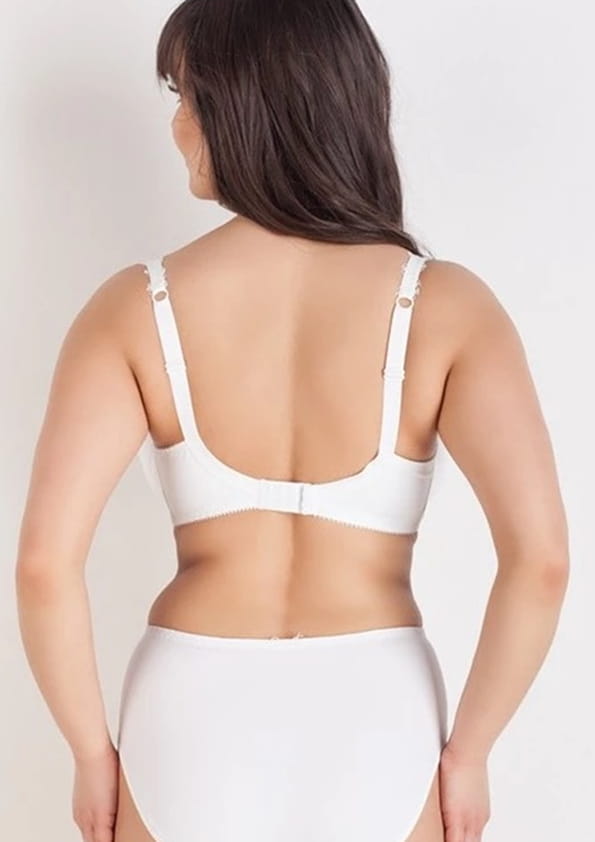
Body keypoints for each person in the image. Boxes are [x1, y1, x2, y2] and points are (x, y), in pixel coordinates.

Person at [15, 1, 569, 841]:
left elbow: (43, 568)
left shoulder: (133, 308)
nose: (176, 127)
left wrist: (91, 754)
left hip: (187, 713)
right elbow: (541, 562)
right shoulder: (449, 307)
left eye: (185, 96)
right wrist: (471, 751)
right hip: (379, 712)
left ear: (244, 105)